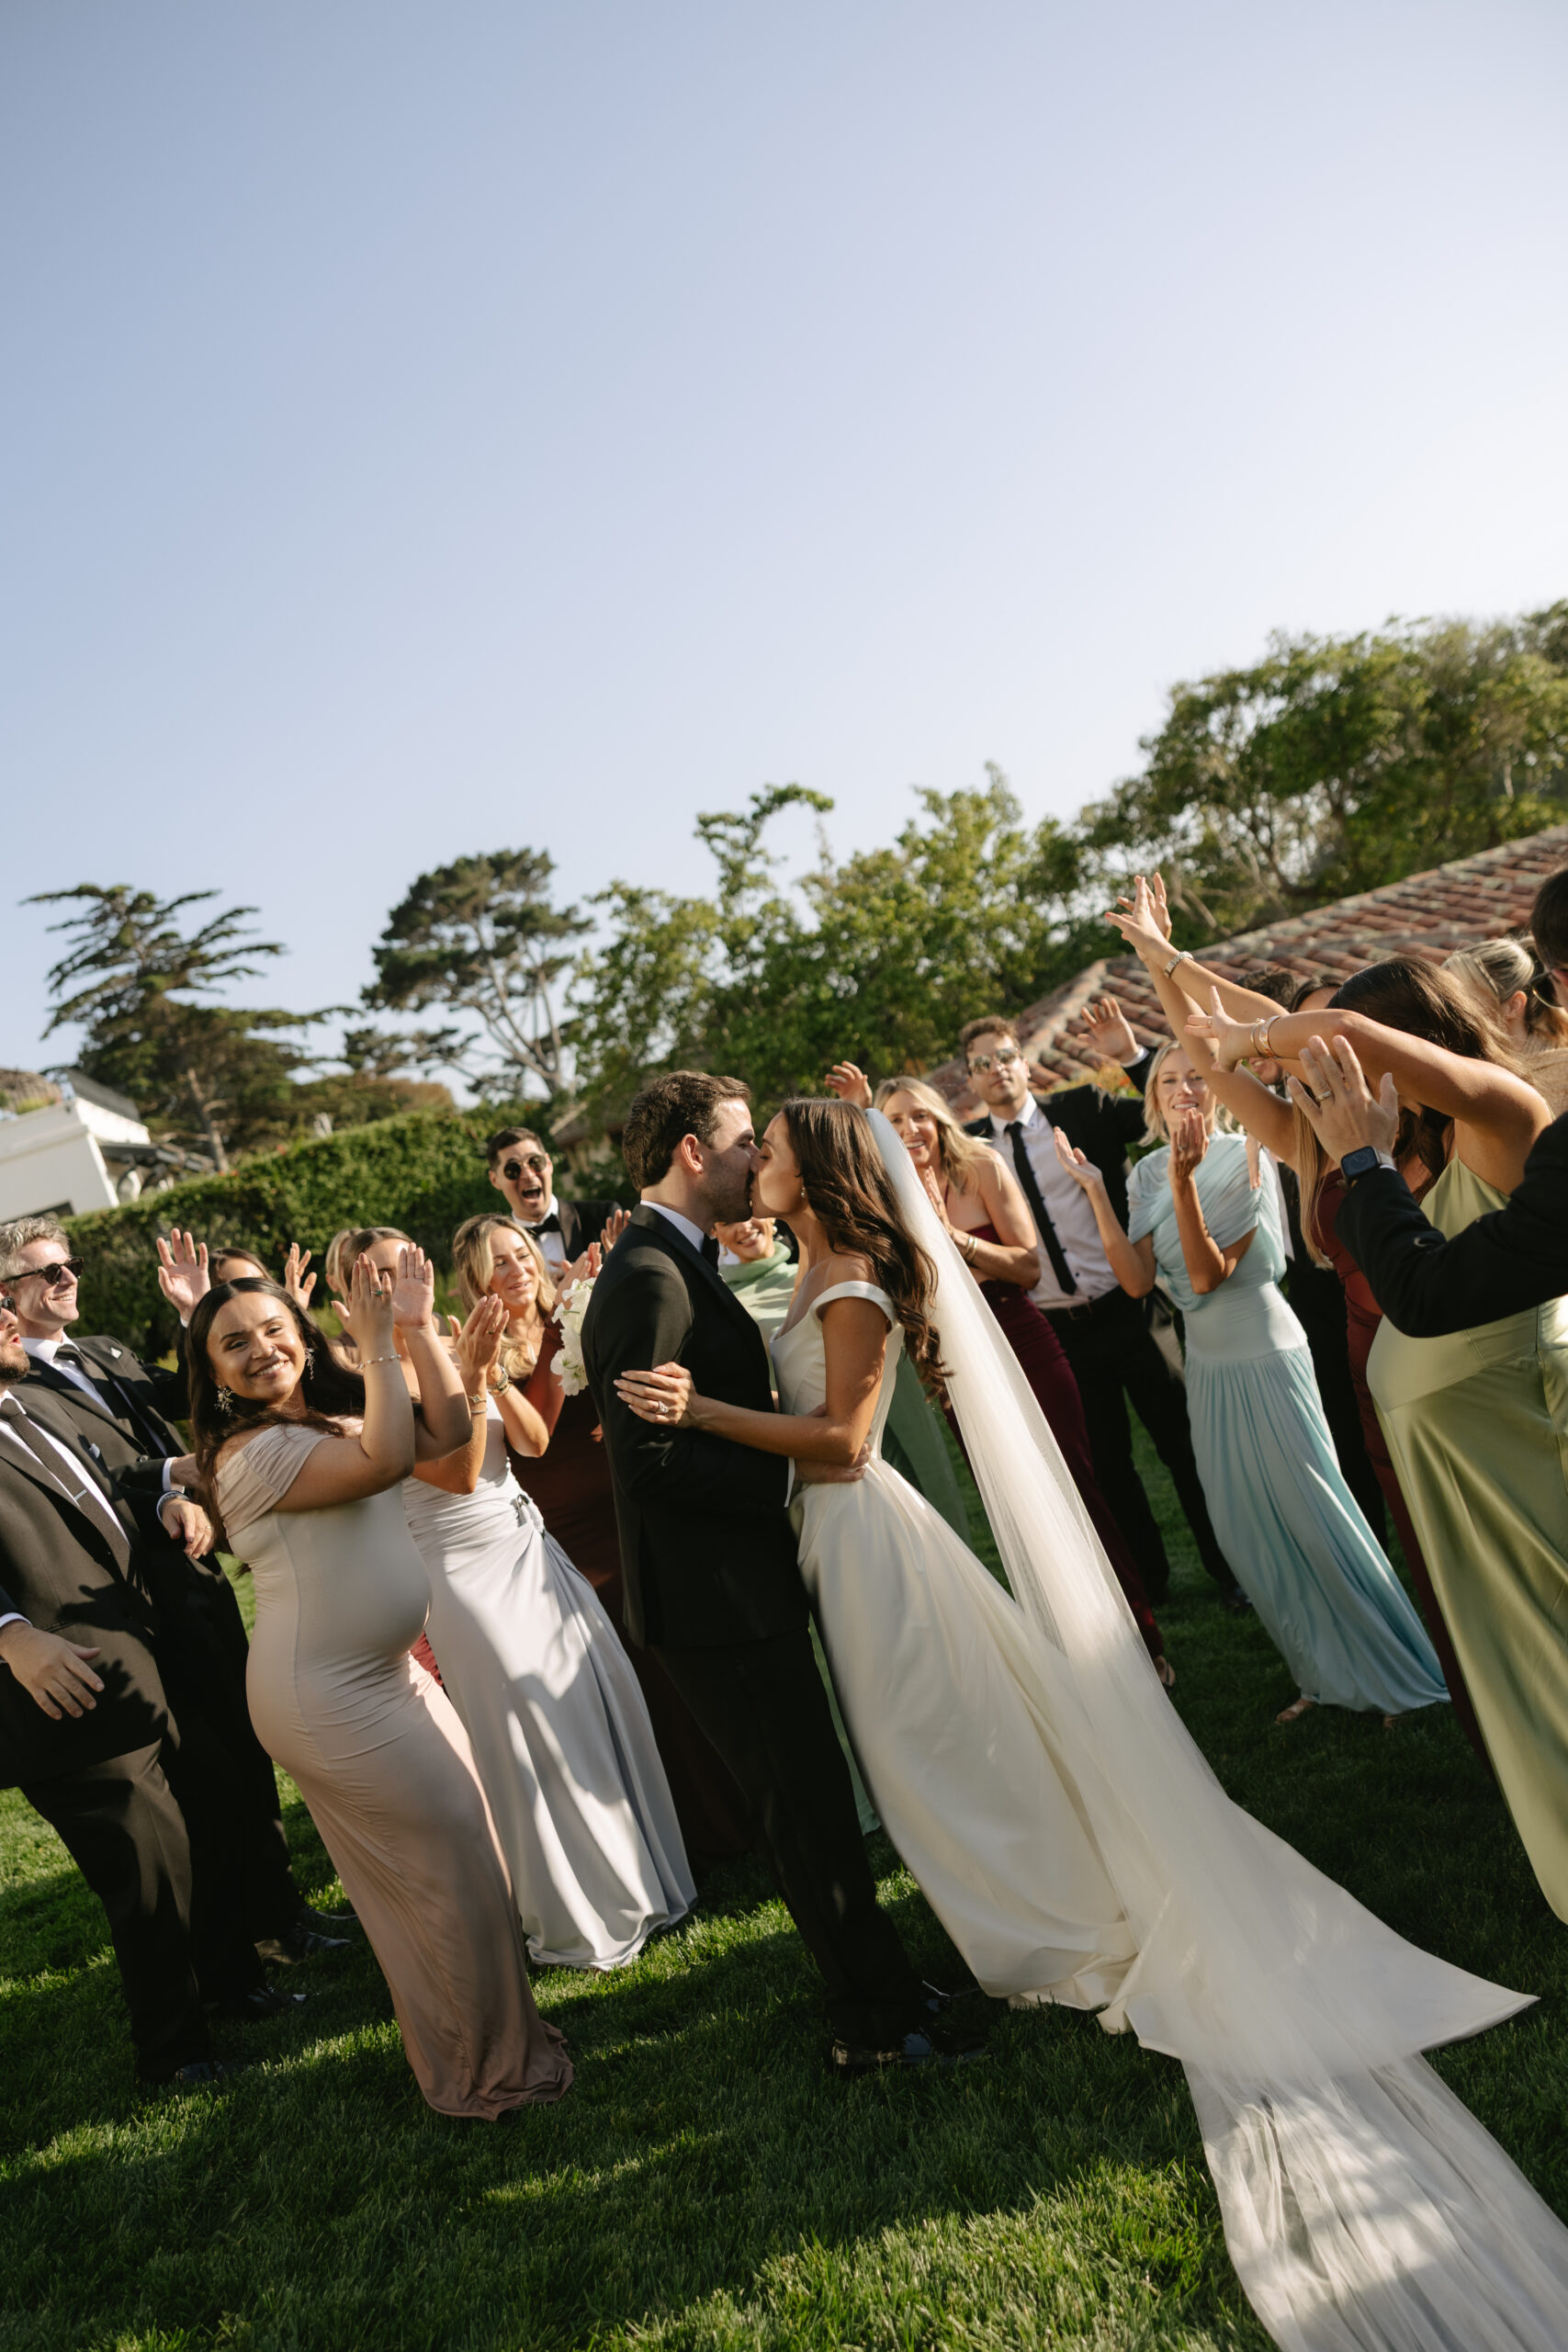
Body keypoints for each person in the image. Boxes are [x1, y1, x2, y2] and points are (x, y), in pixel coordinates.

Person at [613, 1093, 1568, 2348]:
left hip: (860, 1538)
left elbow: (842, 1442)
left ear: (817, 1172)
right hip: (839, 1553)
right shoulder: (819, 1262)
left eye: (772, 1151)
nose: (757, 1165)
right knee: (930, 1755)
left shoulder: (847, 1280)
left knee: (926, 1755)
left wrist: (700, 1413)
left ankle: (1036, 1920)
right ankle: (1010, 1900)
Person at [581, 1071, 970, 2075]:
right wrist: (787, 1490)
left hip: (742, 1584)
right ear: (692, 1153)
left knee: (819, 1806)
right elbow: (646, 1459)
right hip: (713, 1598)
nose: (759, 1156)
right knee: (800, 1817)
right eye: (745, 1139)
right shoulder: (647, 1277)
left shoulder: (684, 1257)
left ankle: (888, 1983)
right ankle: (871, 2027)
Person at [1192, 969, 1568, 1919]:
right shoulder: (1361, 1146)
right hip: (1442, 1461)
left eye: (1346, 1067)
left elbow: (1340, 1026)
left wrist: (1247, 1041)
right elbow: (1241, 1054)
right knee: (1505, 1664)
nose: (1334, 1087)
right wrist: (1172, 971)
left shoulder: (1498, 1114)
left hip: (1516, 1441)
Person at [1100, 892, 1493, 1757]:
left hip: (1474, 1373)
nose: (1312, 1051)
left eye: (1338, 1038)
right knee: (1439, 1571)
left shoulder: (1475, 1130)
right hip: (1377, 1377)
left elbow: (1273, 1029)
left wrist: (1211, 994)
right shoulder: (1308, 1139)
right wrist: (1161, 959)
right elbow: (1210, 1062)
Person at [191, 1257, 572, 2119]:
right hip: (328, 1696)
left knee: (466, 1859)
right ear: (211, 1373)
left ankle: (490, 2042)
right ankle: (483, 2071)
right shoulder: (255, 1450)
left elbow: (446, 1453)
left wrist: (416, 1327)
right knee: (444, 1874)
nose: (262, 1350)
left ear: (300, 1331)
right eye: (234, 1343)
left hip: (384, 1676)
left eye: (274, 1329)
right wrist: (376, 1345)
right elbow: (389, 1458)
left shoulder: (319, 1422)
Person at [1055, 1041, 1449, 1724]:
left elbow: (1206, 1278)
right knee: (1248, 1532)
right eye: (1167, 1081)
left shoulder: (1248, 1156)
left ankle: (1393, 1670)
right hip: (1207, 1367)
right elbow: (1136, 1281)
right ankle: (1318, 1674)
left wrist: (1183, 1181)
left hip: (1265, 1354)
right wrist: (1094, 1190)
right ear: (1151, 1100)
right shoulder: (1145, 1172)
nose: (1182, 1089)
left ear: (1216, 1089)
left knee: (1313, 1518)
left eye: (1194, 1079)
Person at [339, 1225, 694, 1972]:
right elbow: (456, 1476)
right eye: (376, 1270)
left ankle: (639, 1883)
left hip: (530, 1550)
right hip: (463, 1578)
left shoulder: (450, 1337)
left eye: (406, 1258)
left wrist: (492, 1372)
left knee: (590, 1710)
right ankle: (572, 1915)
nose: (398, 1275)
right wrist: (468, 1377)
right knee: (528, 1738)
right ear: (351, 1288)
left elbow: (529, 1445)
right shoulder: (366, 1377)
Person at [0, 1216, 343, 1963]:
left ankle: (283, 1913)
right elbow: (83, 1487)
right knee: (204, 1777)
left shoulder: (107, 1353)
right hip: (130, 1606)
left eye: (71, 1264)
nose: (67, 1279)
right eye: (46, 1271)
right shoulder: (15, 1389)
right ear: (5, 1294)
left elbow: (214, 1402)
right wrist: (164, 1483)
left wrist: (198, 1316)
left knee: (246, 1757)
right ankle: (251, 1934)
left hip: (198, 1581)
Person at [0, 1305, 266, 2086]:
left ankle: (231, 1987)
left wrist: (161, 1501)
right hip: (63, 1689)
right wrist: (13, 1636)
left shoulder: (24, 1404)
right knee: (146, 1871)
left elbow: (94, 1492)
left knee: (203, 1824)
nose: (10, 1316)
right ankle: (173, 2054)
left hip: (140, 1659)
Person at [455, 1211, 751, 1880]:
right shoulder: (487, 1352)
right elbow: (537, 1435)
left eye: (521, 1253)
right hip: (573, 1539)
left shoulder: (575, 1311)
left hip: (632, 1507)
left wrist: (601, 1299)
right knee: (646, 1683)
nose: (516, 1268)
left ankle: (742, 1809)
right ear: (475, 1281)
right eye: (497, 1262)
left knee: (690, 1665)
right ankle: (697, 1836)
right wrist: (567, 1324)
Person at [867, 1073, 1169, 1682]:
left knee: (1075, 1485)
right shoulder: (881, 1198)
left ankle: (1142, 1638)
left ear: (939, 1119)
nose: (909, 1131)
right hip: (954, 1357)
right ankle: (1069, 1646)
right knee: (1010, 1499)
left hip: (1019, 1333)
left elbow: (1029, 1265)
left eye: (917, 1116)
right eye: (893, 1122)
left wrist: (948, 1237)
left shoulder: (979, 1167)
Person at [954, 1011, 1246, 1609]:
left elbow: (1160, 1112)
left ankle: (1230, 1570)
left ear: (1023, 1063)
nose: (997, 1070)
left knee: (1183, 1442)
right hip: (1057, 1331)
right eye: (981, 1063)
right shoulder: (970, 1151)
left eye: (1004, 1055)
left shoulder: (1083, 1107)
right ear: (971, 1079)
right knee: (1108, 1465)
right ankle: (1150, 1583)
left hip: (1132, 1309)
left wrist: (1133, 1057)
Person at [1444, 936, 1568, 1114]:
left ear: (1513, 1005)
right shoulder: (1465, 1072)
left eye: (1463, 1000)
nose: (1448, 1012)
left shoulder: (1562, 1079)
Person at [485, 1126, 618, 1276]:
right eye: (513, 1169)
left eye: (535, 1162)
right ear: (494, 1179)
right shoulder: (492, 1249)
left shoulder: (604, 1217)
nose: (528, 1175)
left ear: (548, 1163)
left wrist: (594, 1277)